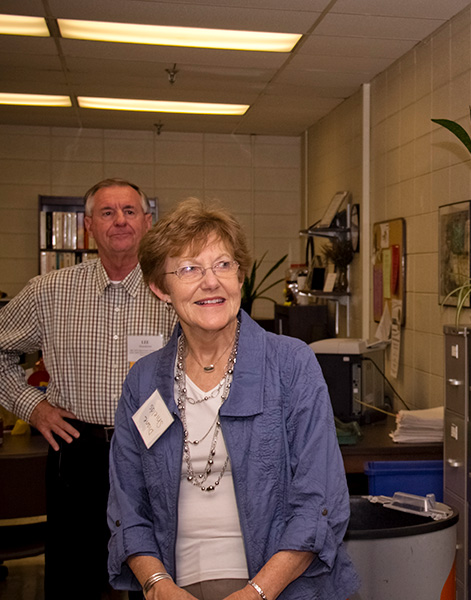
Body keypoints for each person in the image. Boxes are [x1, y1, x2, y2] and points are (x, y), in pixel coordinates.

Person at [107, 199, 359, 600]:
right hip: (173, 585)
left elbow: (319, 503)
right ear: (160, 288)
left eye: (223, 265)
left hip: (280, 586)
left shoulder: (291, 365)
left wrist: (257, 592)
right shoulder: (143, 383)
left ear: (240, 276)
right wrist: (156, 584)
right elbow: (127, 504)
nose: (211, 282)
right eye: (189, 269)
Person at [0, 178, 176, 598]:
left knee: (156, 573)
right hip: (76, 449)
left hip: (156, 448)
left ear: (147, 223)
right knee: (74, 575)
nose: (120, 221)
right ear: (88, 226)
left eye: (130, 212)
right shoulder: (48, 292)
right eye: (107, 212)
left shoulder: (174, 290)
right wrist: (34, 407)